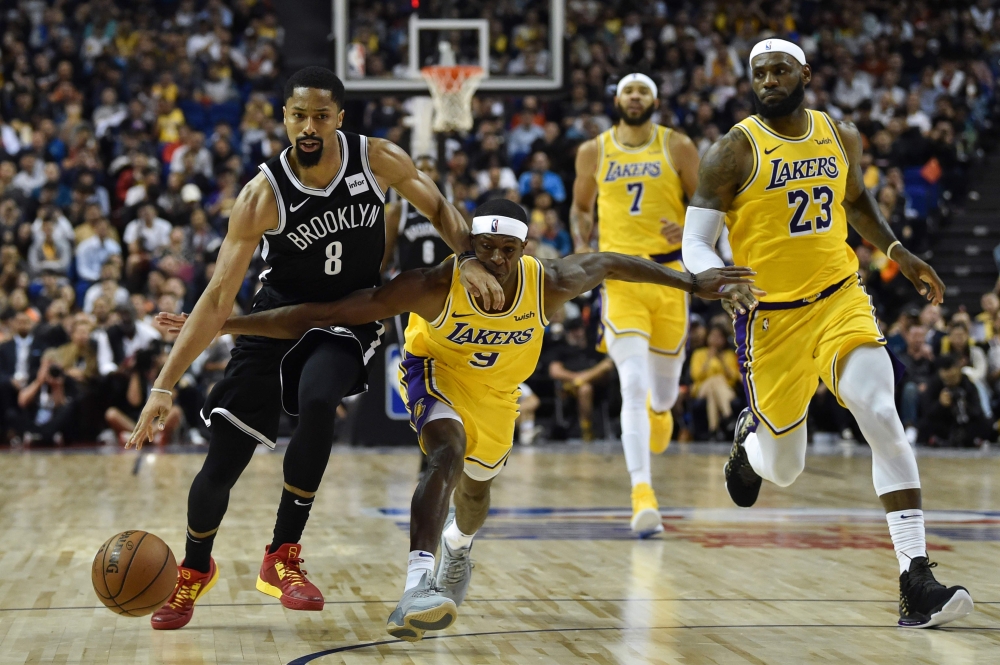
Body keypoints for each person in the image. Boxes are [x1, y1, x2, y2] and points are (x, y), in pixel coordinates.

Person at [158, 198, 753, 642]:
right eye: (484, 247)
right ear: (468, 246)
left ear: (524, 250)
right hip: (432, 374)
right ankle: (418, 584)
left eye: (506, 249)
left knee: (475, 495)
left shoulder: (551, 283)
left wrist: (689, 281)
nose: (494, 259)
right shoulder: (434, 284)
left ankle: (457, 546)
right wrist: (223, 324)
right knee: (444, 453)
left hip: (498, 394)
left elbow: (614, 261)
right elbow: (325, 312)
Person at [125, 67, 503, 631]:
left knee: (319, 394)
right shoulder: (262, 194)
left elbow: (439, 207)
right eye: (299, 115)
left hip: (349, 313)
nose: (309, 126)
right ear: (284, 118)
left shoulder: (376, 158)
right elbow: (217, 296)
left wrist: (467, 255)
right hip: (277, 316)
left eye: (321, 116)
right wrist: (163, 385)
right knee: (223, 460)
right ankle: (194, 569)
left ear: (339, 119)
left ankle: (283, 555)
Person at [681, 38, 972, 628]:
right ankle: (750, 445)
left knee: (880, 410)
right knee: (785, 467)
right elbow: (694, 241)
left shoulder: (840, 135)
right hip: (770, 320)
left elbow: (857, 200)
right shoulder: (731, 151)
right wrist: (715, 277)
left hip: (840, 298)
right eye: (758, 71)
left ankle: (915, 578)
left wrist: (897, 249)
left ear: (804, 73)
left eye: (779, 69)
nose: (767, 79)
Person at [570, 72, 701, 535]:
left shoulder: (678, 146)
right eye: (629, 90)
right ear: (618, 99)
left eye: (643, 90)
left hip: (669, 278)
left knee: (662, 394)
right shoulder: (594, 150)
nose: (635, 97)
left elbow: (708, 203)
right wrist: (582, 245)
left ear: (655, 100)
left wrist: (688, 228)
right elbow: (582, 207)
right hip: (620, 276)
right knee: (631, 383)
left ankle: (662, 411)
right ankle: (642, 493)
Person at [547, 317, 615, 440]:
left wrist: (584, 378)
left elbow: (608, 365)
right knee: (585, 389)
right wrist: (576, 378)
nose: (576, 333)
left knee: (586, 385)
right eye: (572, 330)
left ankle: (583, 381)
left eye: (578, 329)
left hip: (597, 385)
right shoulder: (561, 348)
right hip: (569, 388)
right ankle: (586, 429)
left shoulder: (593, 345)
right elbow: (555, 371)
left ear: (583, 329)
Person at [919, 354, 992, 448]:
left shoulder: (968, 383)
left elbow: (978, 411)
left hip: (965, 424)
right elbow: (926, 411)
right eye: (946, 373)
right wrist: (940, 404)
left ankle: (972, 439)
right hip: (943, 424)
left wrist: (964, 405)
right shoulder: (935, 384)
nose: (950, 376)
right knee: (925, 425)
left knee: (987, 424)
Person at [689, 323, 740, 439]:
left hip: (725, 390)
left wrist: (722, 361)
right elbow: (695, 376)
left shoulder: (728, 355)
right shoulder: (699, 354)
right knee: (716, 380)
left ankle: (713, 430)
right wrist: (708, 360)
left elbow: (734, 377)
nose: (716, 339)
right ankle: (728, 416)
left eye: (719, 336)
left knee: (714, 390)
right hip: (702, 388)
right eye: (713, 336)